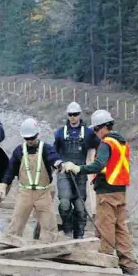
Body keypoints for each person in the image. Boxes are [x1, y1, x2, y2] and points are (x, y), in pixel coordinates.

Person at [62, 110, 138, 274]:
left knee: (106, 227)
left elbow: (98, 165)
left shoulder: (107, 143)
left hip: (107, 191)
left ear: (102, 127)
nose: (96, 134)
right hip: (120, 190)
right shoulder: (122, 142)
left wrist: (77, 168)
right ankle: (128, 262)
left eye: (96, 130)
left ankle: (105, 259)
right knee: (120, 227)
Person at [0, 118, 63, 242]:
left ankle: (48, 251)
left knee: (49, 227)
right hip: (25, 194)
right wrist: (3, 185)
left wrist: (58, 164)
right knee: (15, 225)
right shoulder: (19, 151)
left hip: (43, 194)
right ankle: (10, 247)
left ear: (38, 134)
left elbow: (53, 157)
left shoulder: (46, 149)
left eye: (32, 138)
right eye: (27, 138)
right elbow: (10, 170)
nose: (30, 141)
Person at [53, 102, 99, 239]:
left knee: (80, 206)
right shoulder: (60, 133)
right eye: (70, 114)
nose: (73, 117)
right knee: (65, 203)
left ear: (80, 115)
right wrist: (57, 163)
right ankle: (67, 229)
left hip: (80, 173)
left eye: (75, 114)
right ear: (67, 115)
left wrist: (93, 162)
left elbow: (101, 146)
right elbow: (53, 152)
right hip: (64, 173)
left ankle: (79, 236)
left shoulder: (89, 133)